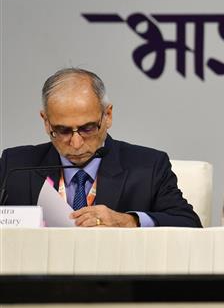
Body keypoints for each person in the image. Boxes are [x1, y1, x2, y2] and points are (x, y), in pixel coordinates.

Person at [0, 68, 201, 227]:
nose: (76, 144)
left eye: (87, 128)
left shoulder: (148, 166)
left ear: (108, 116)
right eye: (63, 131)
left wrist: (128, 221)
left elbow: (188, 223)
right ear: (46, 122)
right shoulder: (15, 167)